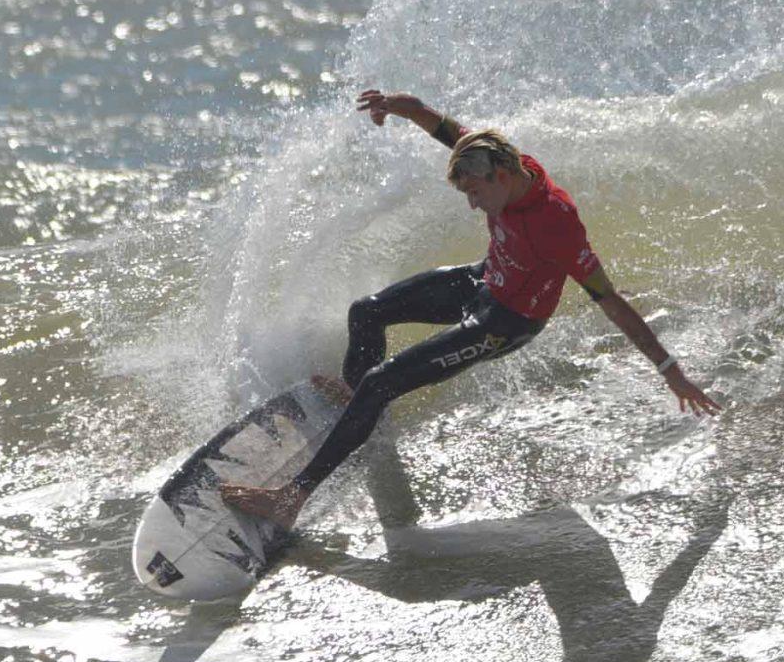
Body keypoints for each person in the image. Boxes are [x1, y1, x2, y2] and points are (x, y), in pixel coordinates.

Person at [221, 88, 718, 529]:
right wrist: (405, 108)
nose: (474, 206)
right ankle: (363, 409)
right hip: (485, 280)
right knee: (366, 312)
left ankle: (292, 497)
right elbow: (451, 133)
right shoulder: (503, 162)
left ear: (502, 178)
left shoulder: (557, 223)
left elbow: (610, 300)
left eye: (478, 194)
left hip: (506, 322)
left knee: (381, 382)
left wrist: (670, 370)